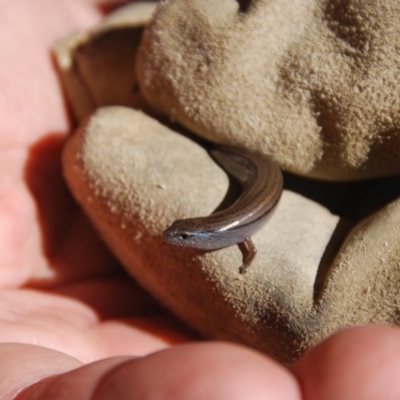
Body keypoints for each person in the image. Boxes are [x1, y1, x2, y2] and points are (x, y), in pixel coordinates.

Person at [2, 0, 400, 398]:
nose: (178, 237)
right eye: (185, 234)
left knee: (232, 158)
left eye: (187, 236)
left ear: (205, 236)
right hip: (251, 175)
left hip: (256, 172)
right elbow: (240, 240)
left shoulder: (232, 232)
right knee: (226, 158)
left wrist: (247, 265)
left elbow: (248, 247)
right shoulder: (231, 230)